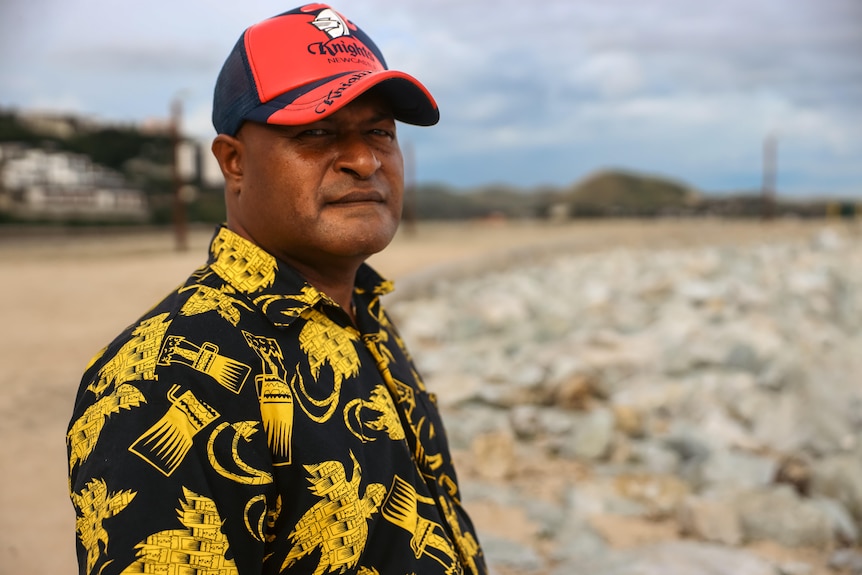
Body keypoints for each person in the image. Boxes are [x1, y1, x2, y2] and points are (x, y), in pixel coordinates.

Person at [66, 4, 488, 574]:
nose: (365, 160)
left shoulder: (358, 312)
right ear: (233, 162)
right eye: (316, 132)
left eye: (379, 132)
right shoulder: (165, 376)